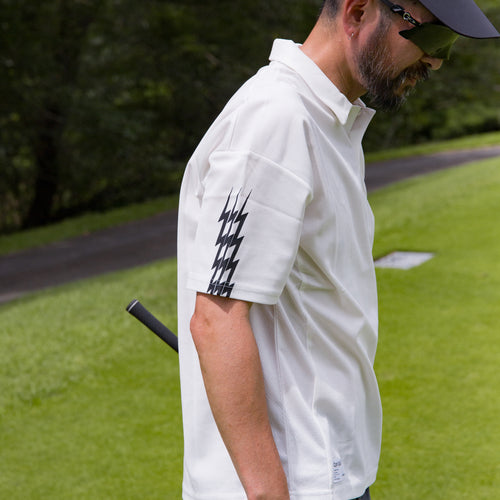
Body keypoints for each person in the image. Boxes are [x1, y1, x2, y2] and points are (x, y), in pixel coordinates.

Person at [176, 1, 499, 498]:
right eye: (432, 40)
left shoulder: (328, 121)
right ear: (359, 11)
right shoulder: (276, 119)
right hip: (294, 482)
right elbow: (217, 318)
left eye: (447, 49)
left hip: (326, 469)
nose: (435, 62)